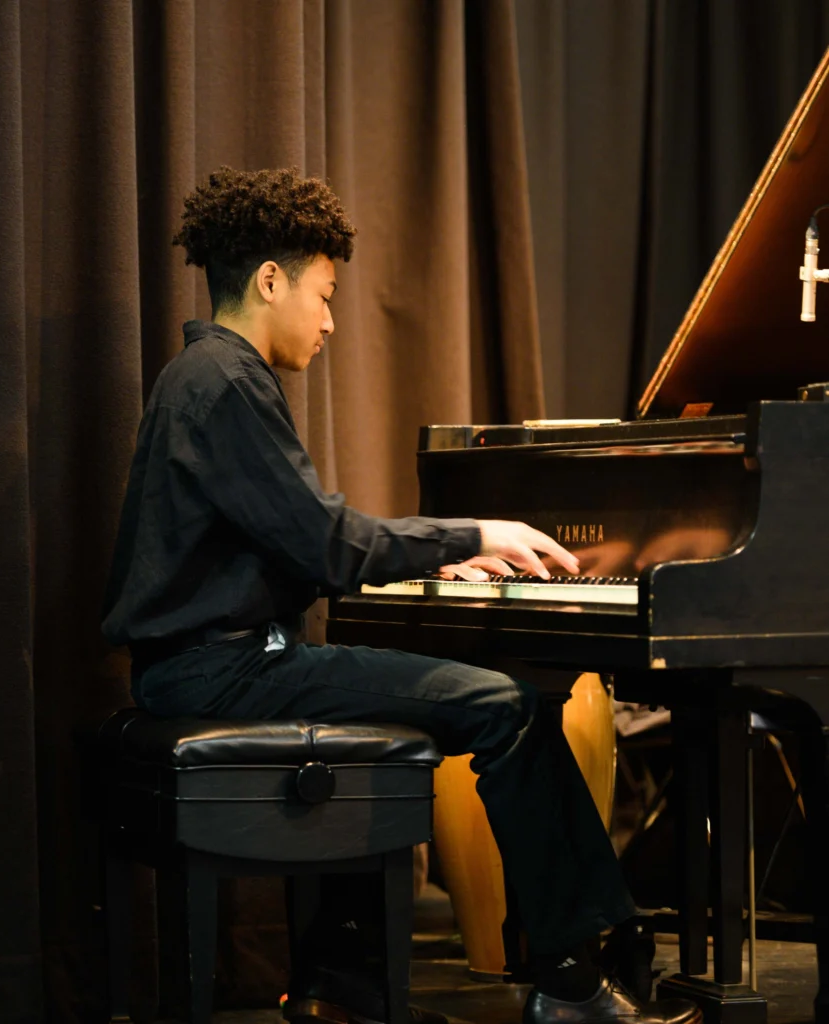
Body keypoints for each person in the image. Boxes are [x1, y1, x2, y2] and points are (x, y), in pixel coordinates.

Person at [102, 167, 698, 1024]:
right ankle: (572, 980)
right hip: (220, 673)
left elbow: (281, 546)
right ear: (270, 281)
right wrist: (472, 534)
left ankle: (341, 984)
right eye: (325, 293)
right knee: (510, 709)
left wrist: (422, 566)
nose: (331, 319)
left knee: (448, 709)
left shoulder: (202, 376)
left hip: (206, 665)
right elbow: (324, 541)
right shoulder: (226, 383)